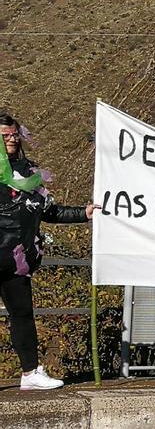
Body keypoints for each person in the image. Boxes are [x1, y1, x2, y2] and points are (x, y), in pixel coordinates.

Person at [0, 114, 94, 390]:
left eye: (15, 134)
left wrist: (83, 213)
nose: (12, 139)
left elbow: (49, 210)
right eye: (4, 135)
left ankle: (30, 373)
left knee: (22, 315)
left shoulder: (30, 171)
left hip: (16, 258)